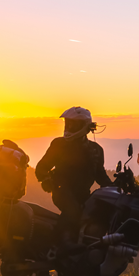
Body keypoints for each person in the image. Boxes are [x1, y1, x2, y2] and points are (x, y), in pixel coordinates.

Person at [35, 106, 112, 250]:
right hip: (62, 191)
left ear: (85, 126)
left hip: (84, 194)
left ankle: (89, 248)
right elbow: (42, 167)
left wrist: (116, 188)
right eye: (68, 124)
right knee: (73, 211)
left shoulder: (95, 150)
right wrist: (46, 180)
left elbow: (101, 176)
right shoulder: (59, 144)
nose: (69, 128)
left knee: (98, 215)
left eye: (73, 124)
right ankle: (62, 246)